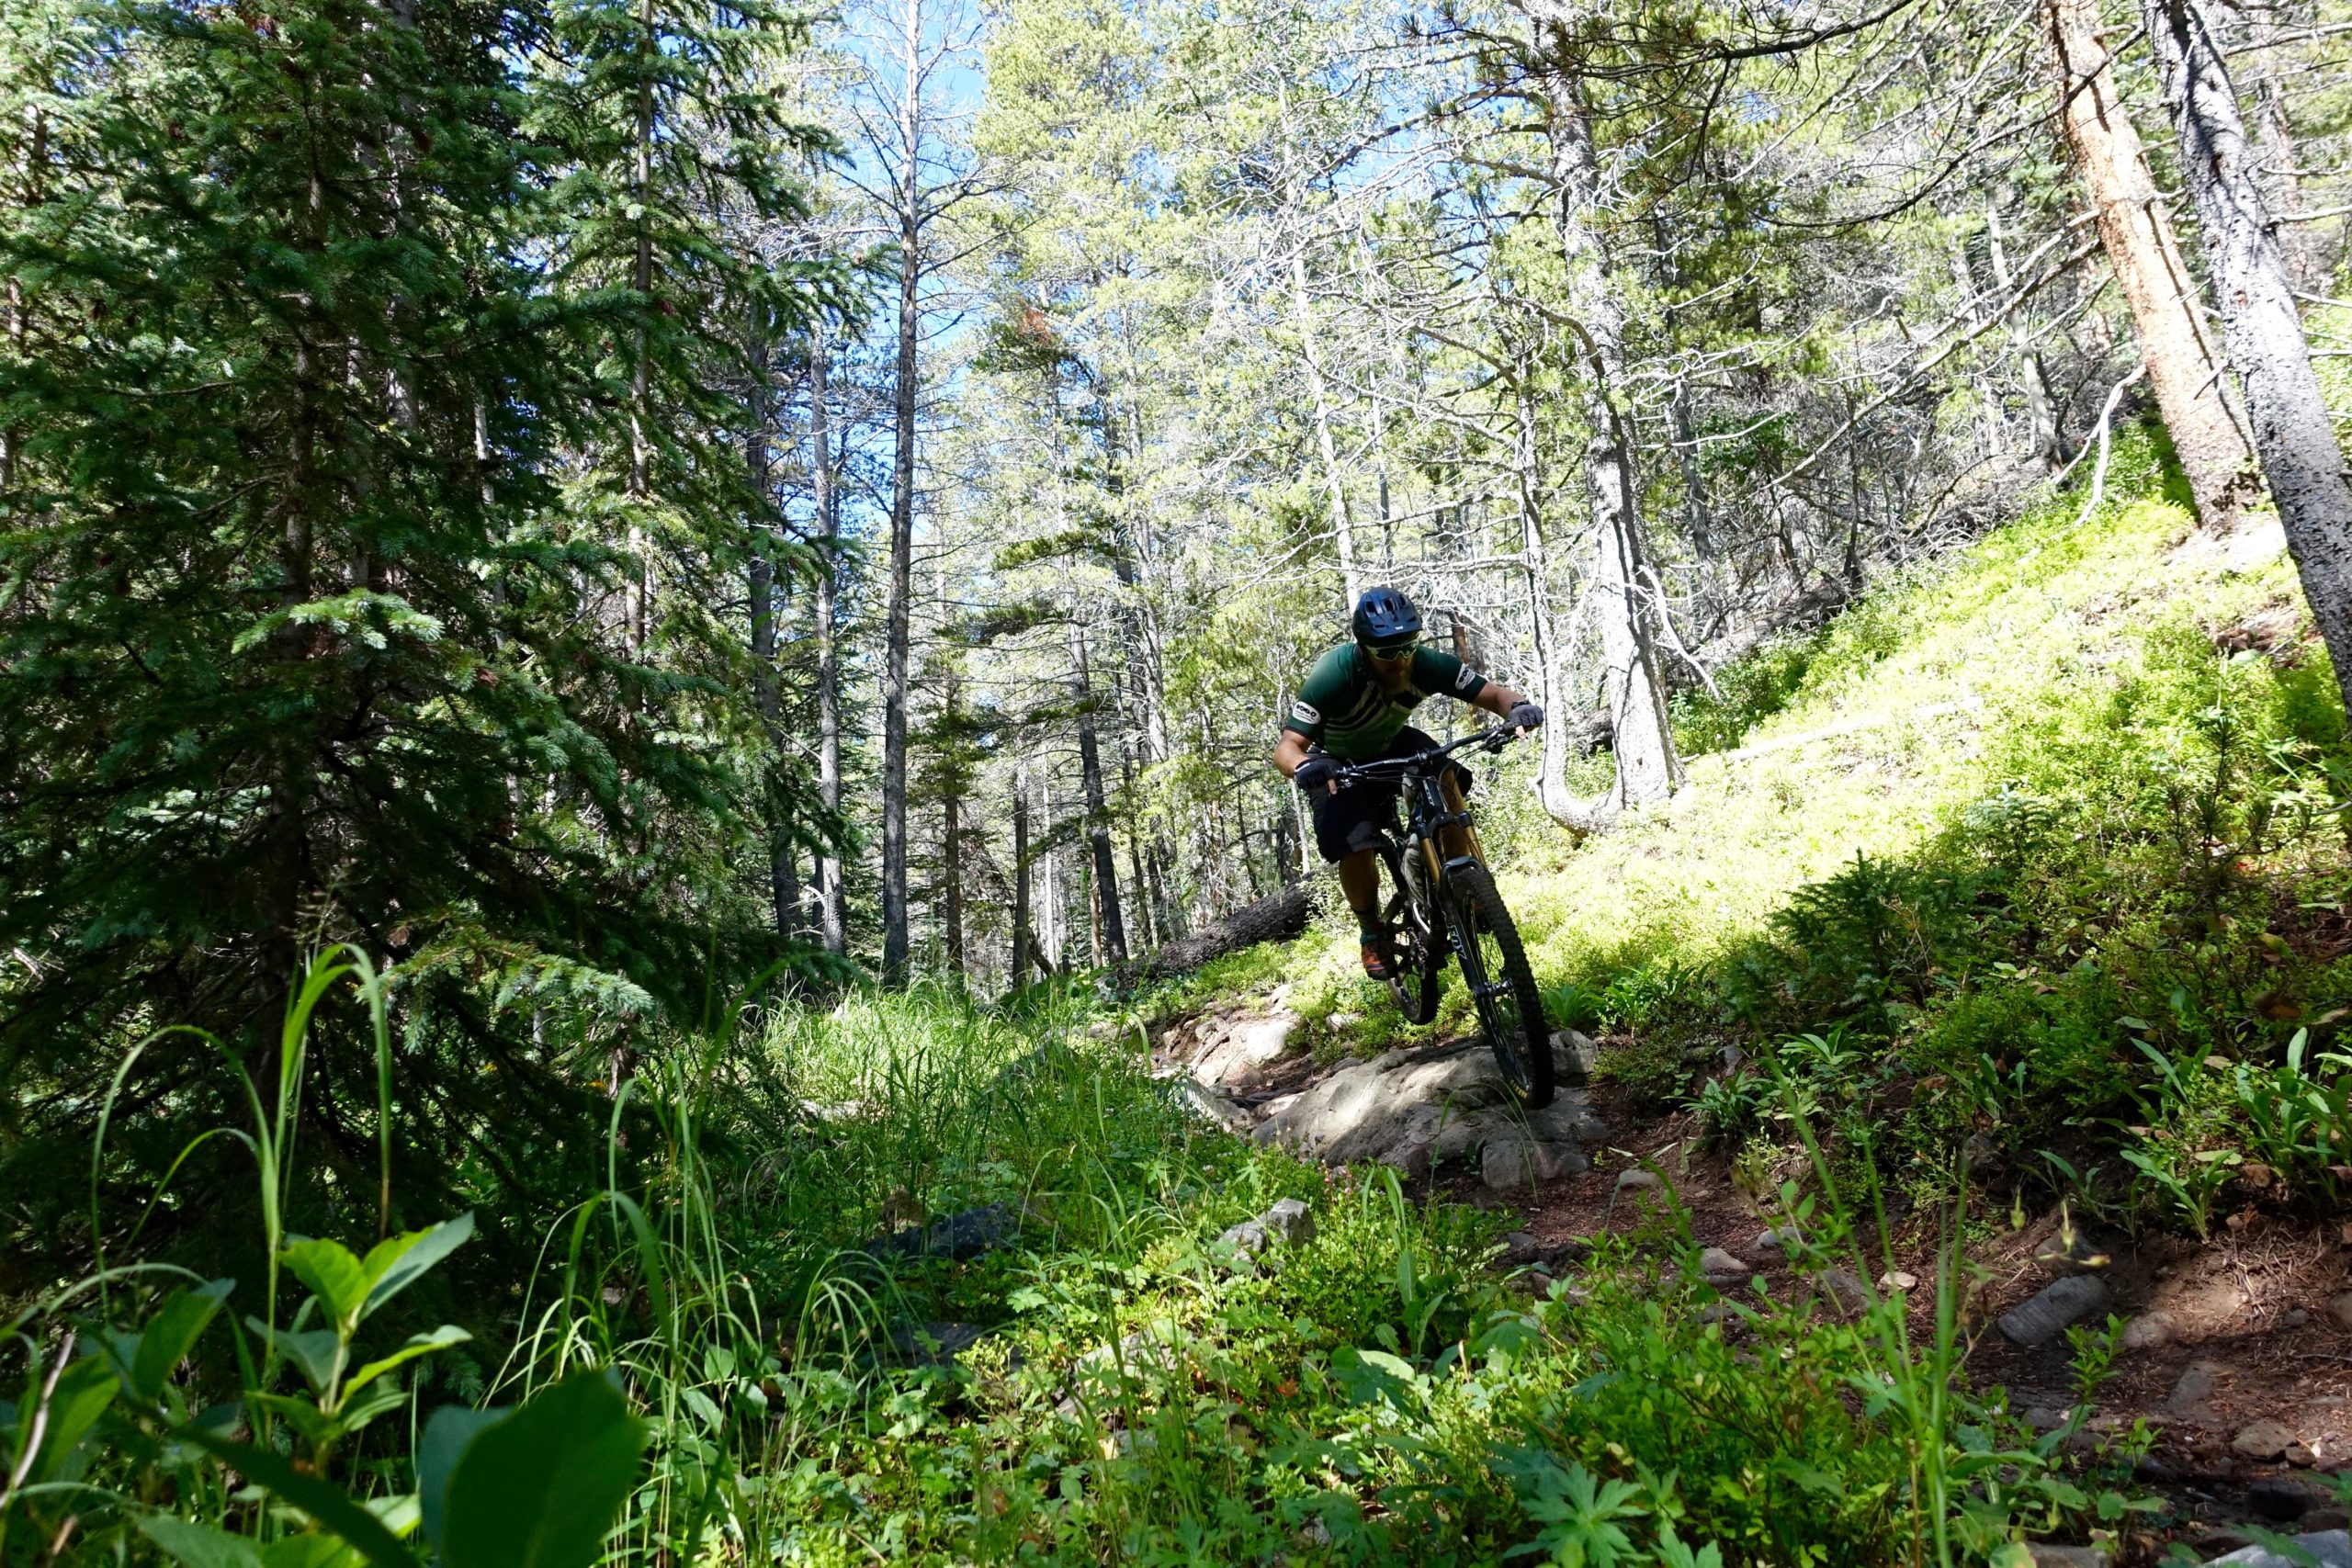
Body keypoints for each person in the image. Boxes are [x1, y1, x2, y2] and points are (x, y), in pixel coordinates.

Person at [1273, 586, 1543, 979]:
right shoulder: (1335, 673)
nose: (1400, 661)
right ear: (1363, 648)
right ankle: (1371, 933)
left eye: (1407, 646)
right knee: (1355, 842)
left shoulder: (1425, 664)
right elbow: (1286, 748)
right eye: (1386, 652)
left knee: (1445, 775)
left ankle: (1466, 884)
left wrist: (1518, 708)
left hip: (1390, 742)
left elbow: (1494, 694)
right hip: (1336, 760)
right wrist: (1302, 767)